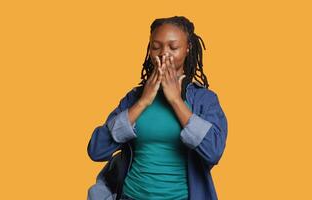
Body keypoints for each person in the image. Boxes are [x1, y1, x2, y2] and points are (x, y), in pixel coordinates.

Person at [87, 16, 228, 200]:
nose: (164, 53)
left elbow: (213, 152)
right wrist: (143, 102)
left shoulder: (205, 100)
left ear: (188, 48)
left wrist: (176, 101)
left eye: (173, 47)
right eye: (156, 47)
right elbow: (96, 150)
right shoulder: (133, 98)